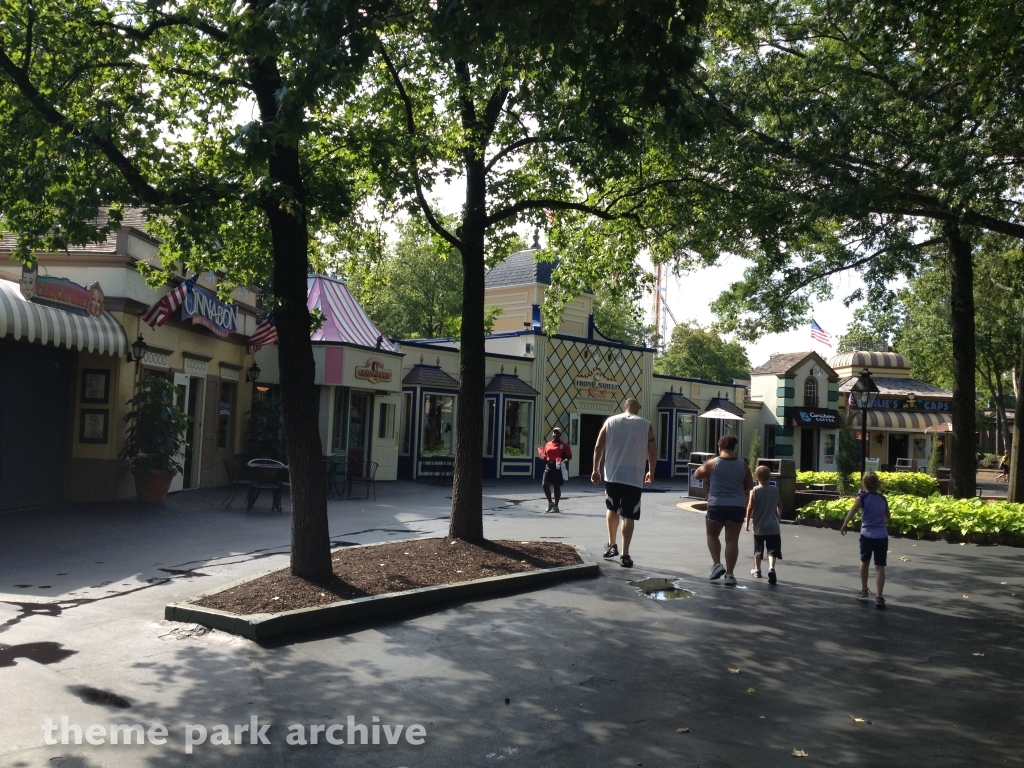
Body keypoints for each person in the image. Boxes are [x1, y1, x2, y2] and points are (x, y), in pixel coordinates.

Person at [591, 398, 657, 568]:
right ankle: (625, 555)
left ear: (624, 408)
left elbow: (599, 446)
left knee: (612, 508)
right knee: (628, 514)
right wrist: (651, 470)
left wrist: (595, 469)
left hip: (613, 473)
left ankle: (612, 544)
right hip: (633, 476)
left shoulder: (610, 421)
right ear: (637, 409)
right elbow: (652, 449)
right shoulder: (646, 425)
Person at [694, 434, 754, 586]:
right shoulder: (743, 465)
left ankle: (717, 564)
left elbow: (697, 474)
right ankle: (730, 575)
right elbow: (749, 486)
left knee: (712, 535)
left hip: (717, 504)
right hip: (737, 505)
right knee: (732, 540)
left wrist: (709, 462)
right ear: (734, 448)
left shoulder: (714, 463)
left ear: (719, 447)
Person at [840, 472, 891, 608]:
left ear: (864, 484)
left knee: (865, 561)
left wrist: (845, 524)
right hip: (881, 536)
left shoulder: (862, 498)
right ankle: (879, 597)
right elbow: (888, 516)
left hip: (867, 534)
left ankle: (864, 589)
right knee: (880, 567)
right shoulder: (883, 499)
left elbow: (852, 511)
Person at [746, 464, 783, 584]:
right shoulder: (775, 490)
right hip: (773, 526)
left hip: (759, 526)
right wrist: (778, 518)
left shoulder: (755, 491)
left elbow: (750, 507)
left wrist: (747, 522)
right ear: (769, 477)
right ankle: (771, 567)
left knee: (758, 549)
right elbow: (780, 506)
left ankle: (757, 569)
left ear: (756, 478)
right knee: (772, 550)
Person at [537, 427, 572, 513]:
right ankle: (550, 503)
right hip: (549, 465)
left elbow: (569, 456)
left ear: (560, 435)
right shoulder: (548, 444)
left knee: (556, 486)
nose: (555, 434)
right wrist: (542, 455)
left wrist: (565, 460)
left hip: (558, 466)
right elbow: (545, 454)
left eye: (557, 433)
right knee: (545, 484)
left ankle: (556, 506)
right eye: (554, 433)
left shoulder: (564, 445)